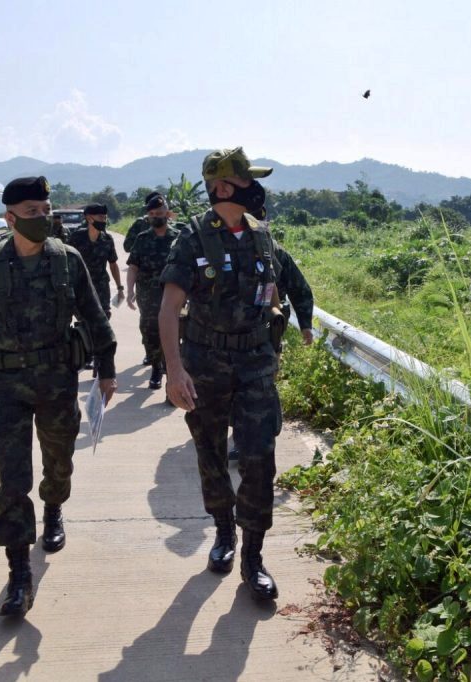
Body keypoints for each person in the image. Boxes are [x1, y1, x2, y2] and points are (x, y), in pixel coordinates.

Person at [0, 176, 117, 617]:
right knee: (12, 480)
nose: (43, 217)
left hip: (57, 383)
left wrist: (106, 372)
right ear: (10, 217)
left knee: (58, 463)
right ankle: (18, 573)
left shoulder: (68, 260)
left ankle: (54, 506)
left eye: (46, 209)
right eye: (32, 212)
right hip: (9, 387)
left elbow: (95, 318)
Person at [159, 147, 285, 601]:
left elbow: (276, 292)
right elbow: (170, 309)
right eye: (249, 180)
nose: (258, 189)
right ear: (226, 187)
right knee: (211, 456)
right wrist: (174, 372)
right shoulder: (192, 239)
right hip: (206, 366)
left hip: (254, 366)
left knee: (258, 459)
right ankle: (224, 532)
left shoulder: (261, 235)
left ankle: (253, 557)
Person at [228, 237, 315, 460]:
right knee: (237, 384)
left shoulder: (274, 252)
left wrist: (305, 324)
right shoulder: (221, 245)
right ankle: (243, 436)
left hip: (267, 327)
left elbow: (299, 288)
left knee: (260, 382)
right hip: (232, 330)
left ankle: (253, 436)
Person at [125, 212, 179, 389]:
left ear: (167, 212)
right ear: (148, 216)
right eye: (153, 213)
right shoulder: (142, 238)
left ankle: (171, 372)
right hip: (147, 295)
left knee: (175, 331)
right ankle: (156, 366)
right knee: (149, 331)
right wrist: (129, 289)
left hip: (173, 293)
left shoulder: (178, 237)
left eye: (160, 212)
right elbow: (133, 266)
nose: (157, 216)